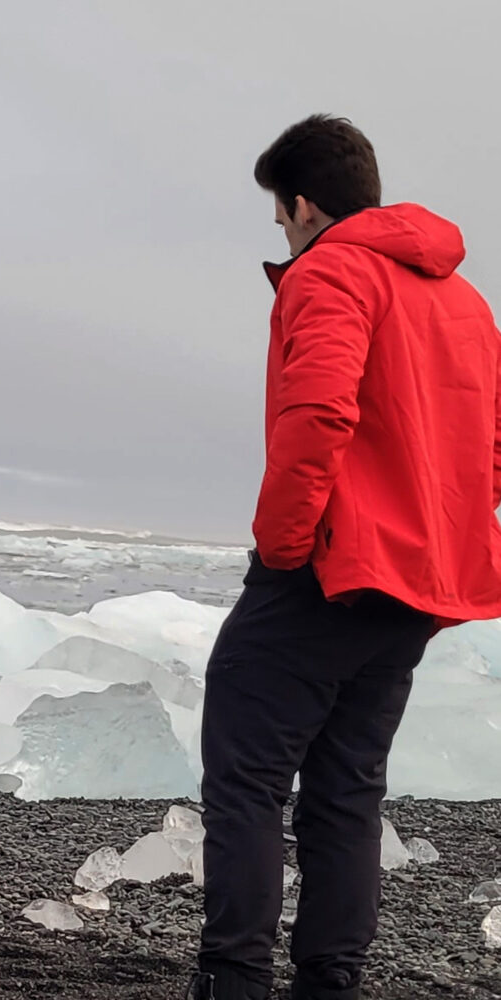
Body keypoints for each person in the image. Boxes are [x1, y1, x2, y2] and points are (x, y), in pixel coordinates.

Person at [189, 115, 501, 1000]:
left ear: (302, 203)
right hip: (417, 586)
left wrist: (284, 549)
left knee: (246, 778)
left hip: (329, 571)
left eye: (278, 214)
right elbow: (494, 445)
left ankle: (234, 980)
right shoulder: (465, 302)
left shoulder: (330, 271)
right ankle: (329, 982)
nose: (280, 230)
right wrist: (441, 531)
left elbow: (319, 413)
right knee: (348, 789)